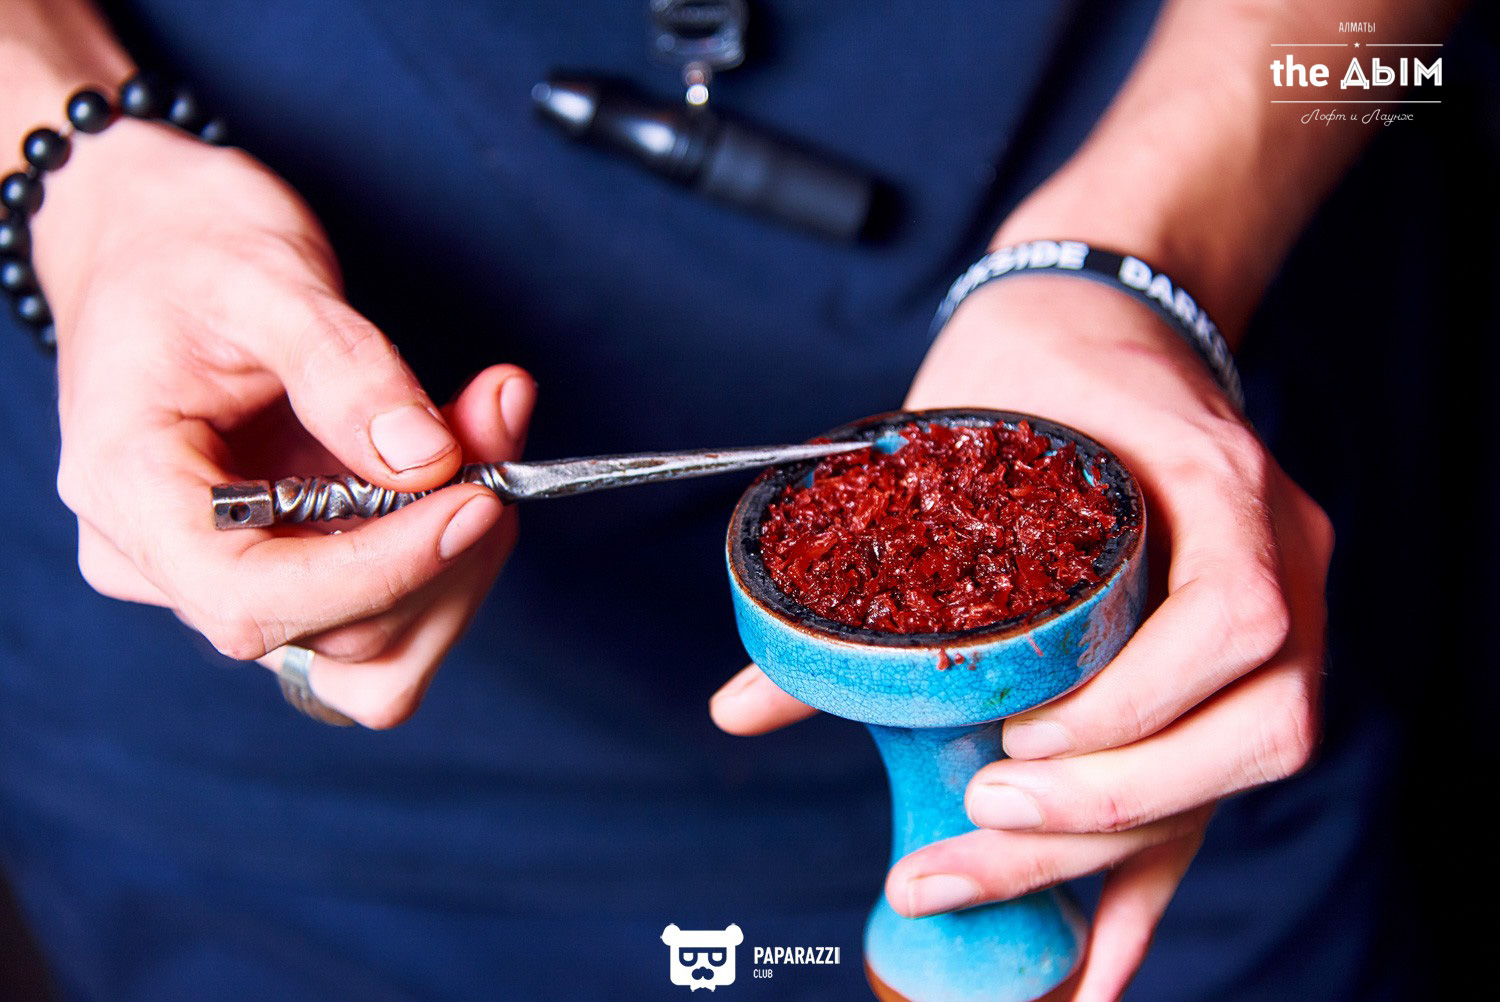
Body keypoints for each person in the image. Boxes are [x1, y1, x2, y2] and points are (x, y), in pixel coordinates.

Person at [0, 1, 1483, 999]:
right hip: (289, 821)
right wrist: (80, 170)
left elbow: (1386, 56)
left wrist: (1150, 254)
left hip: (1170, 661)